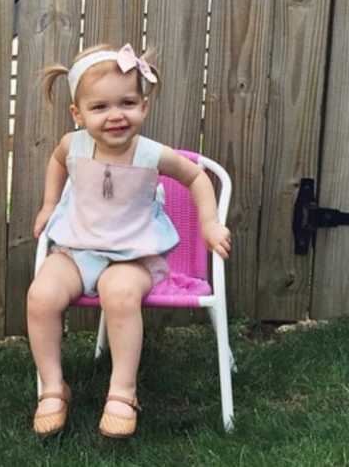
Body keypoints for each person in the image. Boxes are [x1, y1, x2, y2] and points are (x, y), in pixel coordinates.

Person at [26, 43, 231, 439]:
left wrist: (209, 223)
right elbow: (55, 161)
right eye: (100, 107)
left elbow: (196, 177)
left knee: (119, 292)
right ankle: (53, 387)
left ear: (144, 107)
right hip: (77, 249)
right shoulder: (73, 146)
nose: (115, 115)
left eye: (127, 103)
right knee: (41, 296)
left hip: (133, 256)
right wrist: (49, 203)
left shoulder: (152, 154)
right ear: (78, 114)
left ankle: (122, 392)